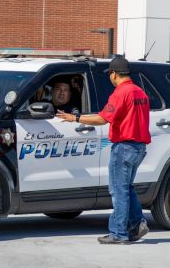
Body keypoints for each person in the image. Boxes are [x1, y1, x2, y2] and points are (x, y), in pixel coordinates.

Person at [56, 57, 151, 244]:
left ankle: (118, 233)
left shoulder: (120, 93)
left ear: (114, 74)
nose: (110, 78)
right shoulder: (139, 92)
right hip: (139, 147)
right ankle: (137, 224)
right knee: (127, 188)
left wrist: (74, 118)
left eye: (110, 74)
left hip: (124, 147)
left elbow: (102, 119)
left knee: (118, 190)